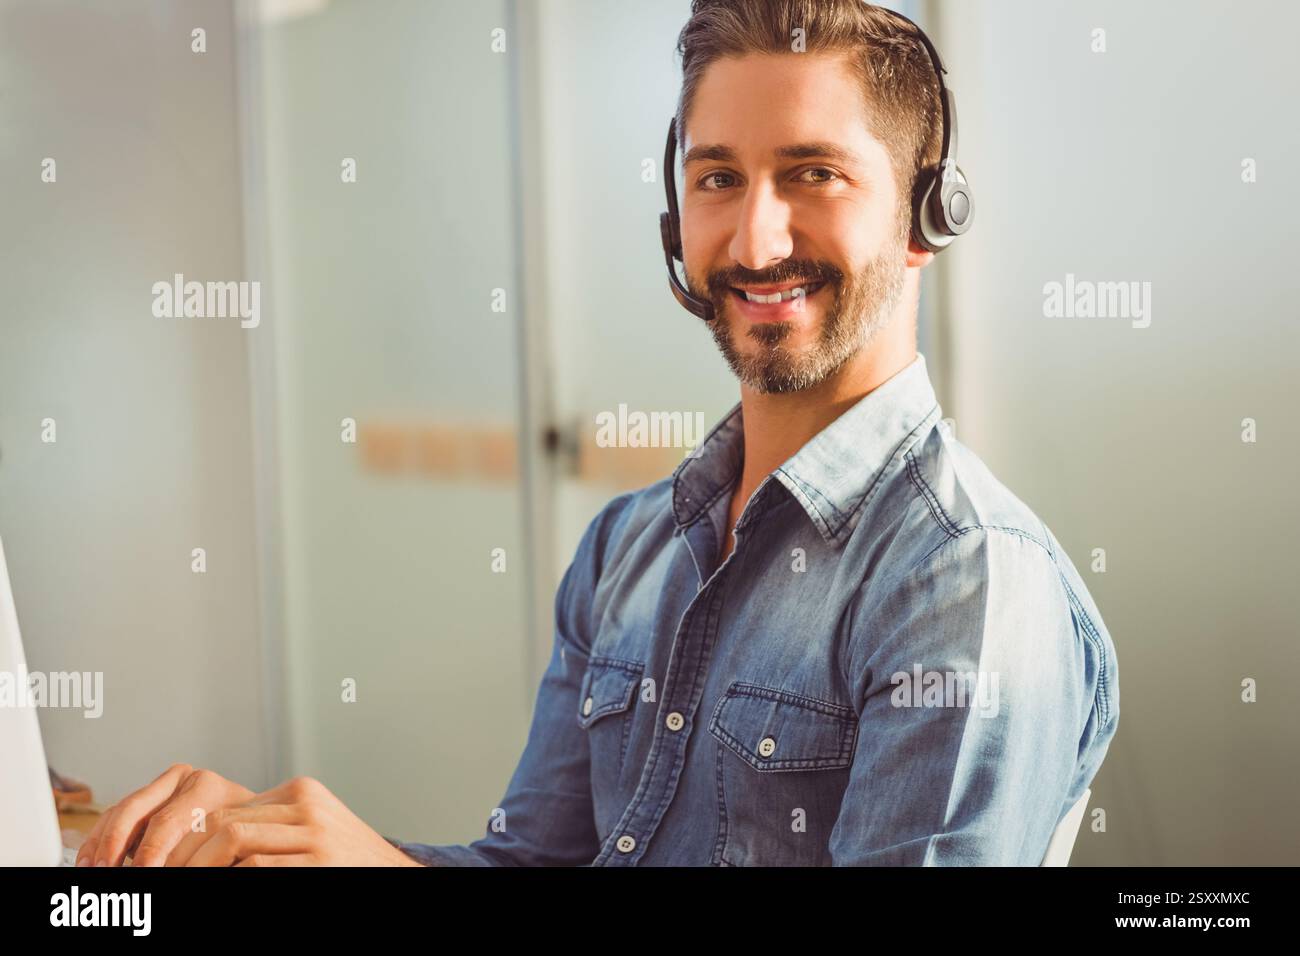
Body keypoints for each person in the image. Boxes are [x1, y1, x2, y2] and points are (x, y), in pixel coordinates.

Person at [78, 0, 1118, 867]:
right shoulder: (631, 549)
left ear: (922, 215)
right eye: (717, 177)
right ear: (677, 220)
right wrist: (317, 849)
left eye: (812, 173)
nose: (755, 237)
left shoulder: (965, 583)